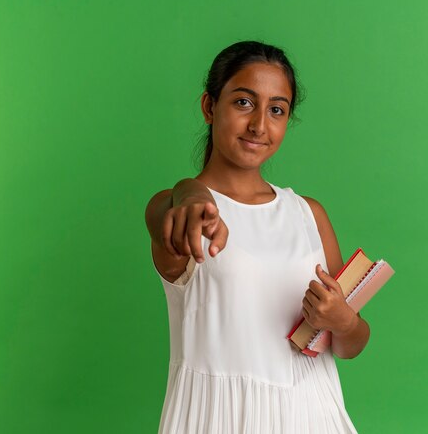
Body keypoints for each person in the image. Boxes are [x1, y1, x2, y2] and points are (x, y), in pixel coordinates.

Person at [145, 40, 370, 433]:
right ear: (209, 107)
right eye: (244, 103)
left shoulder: (308, 214)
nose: (259, 125)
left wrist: (343, 322)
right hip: (218, 420)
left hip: (311, 414)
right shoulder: (184, 213)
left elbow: (351, 344)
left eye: (277, 110)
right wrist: (189, 190)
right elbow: (165, 211)